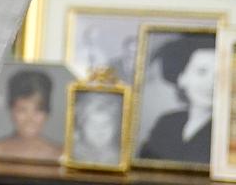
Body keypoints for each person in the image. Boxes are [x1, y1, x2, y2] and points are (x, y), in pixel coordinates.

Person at [137, 33, 216, 164]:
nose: (211, 83)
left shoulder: (225, 133)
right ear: (182, 77)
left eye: (219, 75)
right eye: (202, 72)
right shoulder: (167, 122)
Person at [0, 70, 63, 162]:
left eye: (38, 110)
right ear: (11, 110)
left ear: (47, 112)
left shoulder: (62, 155)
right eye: (22, 110)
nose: (30, 119)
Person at [69, 91, 123, 166]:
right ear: (82, 126)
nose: (99, 130)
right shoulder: (72, 153)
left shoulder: (120, 157)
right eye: (92, 124)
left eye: (106, 124)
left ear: (116, 126)